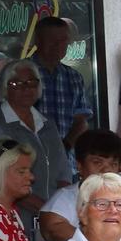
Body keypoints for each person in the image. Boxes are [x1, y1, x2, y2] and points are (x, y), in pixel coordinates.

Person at [0, 59, 74, 241]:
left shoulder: (48, 125)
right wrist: (48, 210)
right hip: (13, 217)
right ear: (5, 88)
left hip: (52, 220)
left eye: (31, 82)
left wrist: (60, 210)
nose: (26, 88)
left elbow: (63, 172)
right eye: (16, 83)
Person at [40, 129, 121, 241]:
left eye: (113, 164)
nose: (107, 170)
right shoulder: (65, 197)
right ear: (79, 166)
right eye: (98, 162)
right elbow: (52, 227)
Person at [29, 16, 94, 152]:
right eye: (52, 41)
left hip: (67, 162)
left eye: (63, 40)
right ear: (38, 41)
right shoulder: (21, 73)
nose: (58, 45)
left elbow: (81, 121)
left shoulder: (74, 77)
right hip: (29, 160)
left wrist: (65, 146)